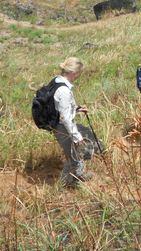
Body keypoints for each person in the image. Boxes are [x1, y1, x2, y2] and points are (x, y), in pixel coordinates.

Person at [53, 57, 92, 187]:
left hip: (61, 124)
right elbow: (65, 118)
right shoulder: (63, 90)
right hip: (62, 126)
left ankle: (77, 176)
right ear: (73, 74)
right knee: (73, 157)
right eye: (80, 73)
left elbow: (61, 107)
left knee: (76, 153)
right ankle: (64, 184)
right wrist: (77, 137)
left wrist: (77, 109)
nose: (80, 76)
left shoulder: (57, 80)